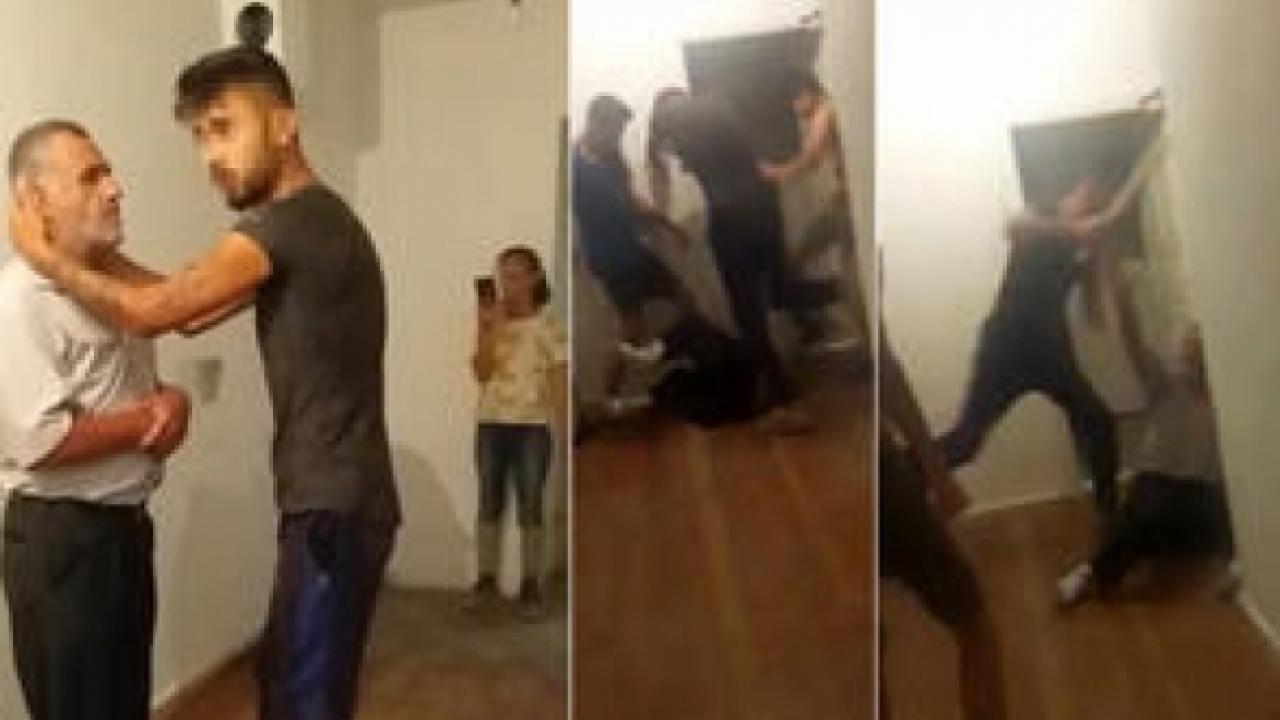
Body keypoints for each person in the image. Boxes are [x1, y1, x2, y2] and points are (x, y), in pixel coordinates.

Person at [9, 46, 400, 719]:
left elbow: (156, 312)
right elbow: (183, 311)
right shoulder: (313, 224)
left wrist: (48, 256)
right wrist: (94, 254)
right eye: (199, 136)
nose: (210, 155)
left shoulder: (289, 224)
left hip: (333, 506)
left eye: (223, 128)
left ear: (284, 125)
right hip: (334, 501)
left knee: (302, 701)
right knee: (287, 684)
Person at [0, 119, 191, 720]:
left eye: (109, 173)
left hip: (125, 534)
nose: (114, 188)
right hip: (64, 545)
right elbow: (41, 439)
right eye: (90, 177)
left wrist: (173, 400)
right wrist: (146, 420)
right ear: (37, 203)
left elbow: (128, 389)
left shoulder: (113, 289)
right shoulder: (18, 300)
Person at [939, 134, 1163, 520]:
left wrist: (1103, 259)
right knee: (966, 443)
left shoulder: (1085, 241)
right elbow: (1013, 225)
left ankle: (1110, 519)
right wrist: (1078, 230)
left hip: (1049, 349)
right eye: (1094, 195)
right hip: (1006, 344)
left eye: (1105, 200)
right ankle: (900, 478)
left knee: (1098, 422)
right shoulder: (1043, 214)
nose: (1097, 203)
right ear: (1080, 188)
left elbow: (1094, 313)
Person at [648, 88, 824, 433]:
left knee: (749, 316)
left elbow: (662, 159)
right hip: (763, 209)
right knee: (781, 290)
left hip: (729, 220)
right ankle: (838, 292)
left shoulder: (677, 127)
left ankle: (783, 403)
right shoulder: (721, 112)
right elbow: (752, 162)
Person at [880, 326, 1008, 720]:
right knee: (972, 619)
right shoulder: (860, 285)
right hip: (881, 477)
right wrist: (939, 476)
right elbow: (886, 372)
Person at [1057, 325, 1236, 606]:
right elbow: (1134, 344)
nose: (1192, 361)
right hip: (1158, 482)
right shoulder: (1165, 386)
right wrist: (1124, 306)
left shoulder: (1226, 396)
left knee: (1221, 521)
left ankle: (1232, 567)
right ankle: (1089, 573)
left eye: (1198, 354)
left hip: (1202, 492)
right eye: (1188, 354)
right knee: (1146, 518)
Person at [572, 94, 697, 407]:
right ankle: (609, 398)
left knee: (685, 298)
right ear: (595, 123)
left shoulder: (613, 156)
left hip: (634, 248)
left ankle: (673, 354)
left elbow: (629, 197)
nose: (617, 138)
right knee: (633, 330)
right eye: (614, 130)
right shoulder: (573, 165)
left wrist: (668, 224)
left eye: (621, 131)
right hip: (610, 259)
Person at [468, 245, 568, 618]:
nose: (506, 284)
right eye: (502, 276)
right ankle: (485, 581)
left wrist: (567, 430)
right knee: (488, 502)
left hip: (532, 428)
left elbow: (559, 381)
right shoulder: (492, 319)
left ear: (533, 278)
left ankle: (530, 586)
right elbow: (481, 373)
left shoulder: (550, 325)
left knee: (530, 504)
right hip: (491, 423)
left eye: (513, 276)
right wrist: (488, 330)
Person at [760, 67, 864, 353]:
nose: (794, 111)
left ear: (805, 92)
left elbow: (812, 157)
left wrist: (775, 173)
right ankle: (833, 327)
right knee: (804, 259)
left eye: (793, 103)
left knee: (847, 273)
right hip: (841, 203)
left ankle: (859, 339)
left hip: (846, 206)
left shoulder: (825, 111)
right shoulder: (827, 110)